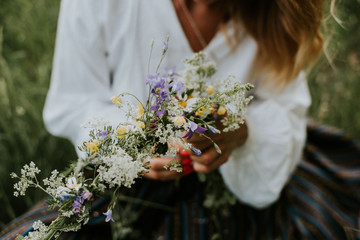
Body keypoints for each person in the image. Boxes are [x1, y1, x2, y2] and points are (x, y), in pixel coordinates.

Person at [1, 0, 359, 239]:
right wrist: (136, 141)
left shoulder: (276, 12)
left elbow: (284, 108)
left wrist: (241, 131)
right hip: (123, 179)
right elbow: (72, 103)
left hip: (249, 169)